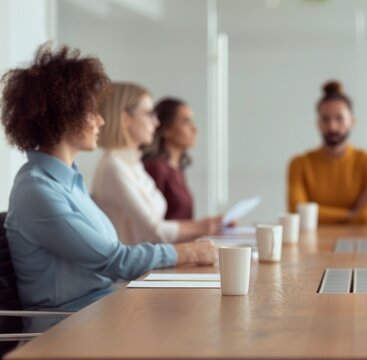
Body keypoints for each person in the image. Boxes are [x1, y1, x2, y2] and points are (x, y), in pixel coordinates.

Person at [0, 44, 216, 332]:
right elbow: (115, 260)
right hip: (67, 328)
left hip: (103, 310)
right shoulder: (37, 190)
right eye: (92, 112)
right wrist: (189, 253)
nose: (101, 120)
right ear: (65, 115)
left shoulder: (69, 183)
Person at [93, 83, 222, 244]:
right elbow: (155, 231)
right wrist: (203, 226)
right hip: (137, 267)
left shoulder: (132, 163)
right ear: (126, 119)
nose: (156, 123)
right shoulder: (114, 167)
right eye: (149, 114)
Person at [287, 80, 367, 225]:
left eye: (339, 118)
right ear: (318, 123)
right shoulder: (299, 164)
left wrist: (316, 214)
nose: (332, 126)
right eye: (325, 119)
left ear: (352, 121)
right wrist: (352, 214)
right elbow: (297, 212)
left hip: (359, 243)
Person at [143, 98, 197, 220]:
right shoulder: (155, 167)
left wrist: (214, 225)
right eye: (186, 122)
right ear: (166, 129)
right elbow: (154, 223)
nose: (194, 129)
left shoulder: (177, 168)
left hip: (184, 239)